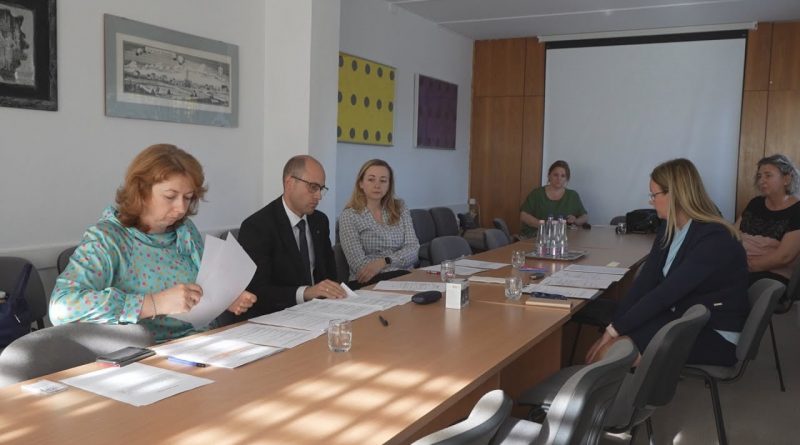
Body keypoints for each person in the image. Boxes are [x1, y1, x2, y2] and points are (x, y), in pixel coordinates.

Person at [50, 144, 257, 342]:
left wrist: (223, 298)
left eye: (188, 198)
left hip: (202, 342)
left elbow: (198, 288)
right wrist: (154, 303)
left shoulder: (184, 230)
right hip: (147, 351)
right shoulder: (107, 239)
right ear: (141, 192)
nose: (181, 209)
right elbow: (63, 307)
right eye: (170, 196)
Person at [585, 158, 748, 367]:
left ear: (675, 195)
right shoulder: (669, 228)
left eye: (654, 195)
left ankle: (594, 387)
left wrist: (615, 330)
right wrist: (613, 326)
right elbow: (645, 283)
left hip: (713, 332)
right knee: (609, 346)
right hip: (682, 316)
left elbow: (666, 293)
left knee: (612, 351)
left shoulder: (715, 238)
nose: (651, 202)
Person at [238, 155, 346, 317]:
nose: (318, 196)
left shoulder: (319, 221)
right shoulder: (257, 226)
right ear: (289, 183)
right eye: (313, 187)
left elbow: (330, 274)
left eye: (321, 189)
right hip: (277, 315)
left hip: (320, 312)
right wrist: (306, 293)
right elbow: (257, 290)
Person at [338, 159, 420, 288]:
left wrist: (384, 262)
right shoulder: (349, 215)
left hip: (404, 276)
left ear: (389, 185)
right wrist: (399, 263)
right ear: (361, 183)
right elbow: (359, 266)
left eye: (383, 180)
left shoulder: (400, 207)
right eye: (371, 180)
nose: (377, 185)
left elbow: (413, 249)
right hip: (367, 282)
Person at [737, 154, 800, 286]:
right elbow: (734, 233)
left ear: (786, 179)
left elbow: (784, 257)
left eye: (768, 175)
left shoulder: (797, 210)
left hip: (769, 275)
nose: (761, 181)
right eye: (759, 176)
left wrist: (744, 266)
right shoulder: (755, 203)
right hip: (739, 264)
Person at [519, 160, 588, 238]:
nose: (559, 178)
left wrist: (575, 221)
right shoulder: (537, 193)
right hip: (535, 237)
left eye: (563, 176)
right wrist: (545, 226)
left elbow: (584, 216)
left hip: (562, 239)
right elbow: (523, 216)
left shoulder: (572, 195)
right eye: (555, 175)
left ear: (566, 179)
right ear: (549, 176)